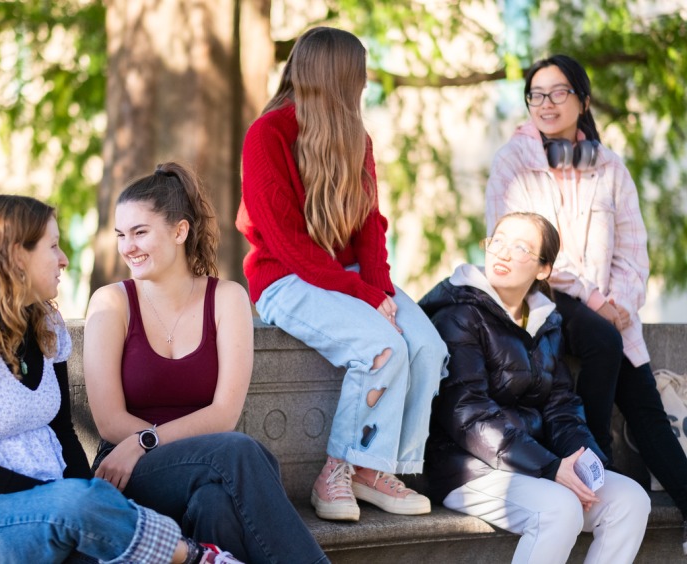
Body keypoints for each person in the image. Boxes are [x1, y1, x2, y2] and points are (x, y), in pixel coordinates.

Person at [0, 194, 237, 564]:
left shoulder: (46, 324)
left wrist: (85, 496)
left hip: (52, 508)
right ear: (17, 256)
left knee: (95, 522)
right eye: (52, 246)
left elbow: (63, 431)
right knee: (82, 502)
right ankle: (197, 557)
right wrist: (64, 499)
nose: (64, 259)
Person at [235, 26, 448, 522]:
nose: (364, 84)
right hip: (285, 277)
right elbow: (286, 241)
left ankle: (378, 469)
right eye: (359, 75)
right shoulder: (267, 135)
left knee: (428, 346)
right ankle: (335, 473)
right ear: (336, 78)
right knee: (382, 347)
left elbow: (371, 227)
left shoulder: (359, 138)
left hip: (349, 276)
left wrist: (376, 290)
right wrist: (363, 295)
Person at [486, 54, 687, 552]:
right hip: (544, 296)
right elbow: (530, 247)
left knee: (645, 406)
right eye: (537, 94)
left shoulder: (609, 167)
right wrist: (599, 302)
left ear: (583, 101)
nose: (547, 103)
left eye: (559, 93)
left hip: (609, 313)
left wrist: (621, 302)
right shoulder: (514, 162)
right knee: (600, 337)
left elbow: (633, 247)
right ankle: (597, 462)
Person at [83, 162, 328, 563]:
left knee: (216, 504)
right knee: (242, 453)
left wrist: (149, 440)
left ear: (180, 231)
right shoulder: (112, 303)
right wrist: (146, 448)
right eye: (121, 235)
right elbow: (109, 421)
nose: (128, 247)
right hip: (128, 470)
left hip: (203, 466)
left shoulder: (227, 298)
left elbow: (223, 414)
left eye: (140, 232)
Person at [419, 212, 650, 563]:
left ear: (543, 269)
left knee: (630, 501)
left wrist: (583, 463)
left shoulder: (546, 322)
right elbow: (468, 415)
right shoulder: (459, 315)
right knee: (559, 509)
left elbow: (561, 406)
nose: (504, 253)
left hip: (532, 465)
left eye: (521, 247)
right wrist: (550, 467)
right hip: (465, 468)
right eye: (498, 241)